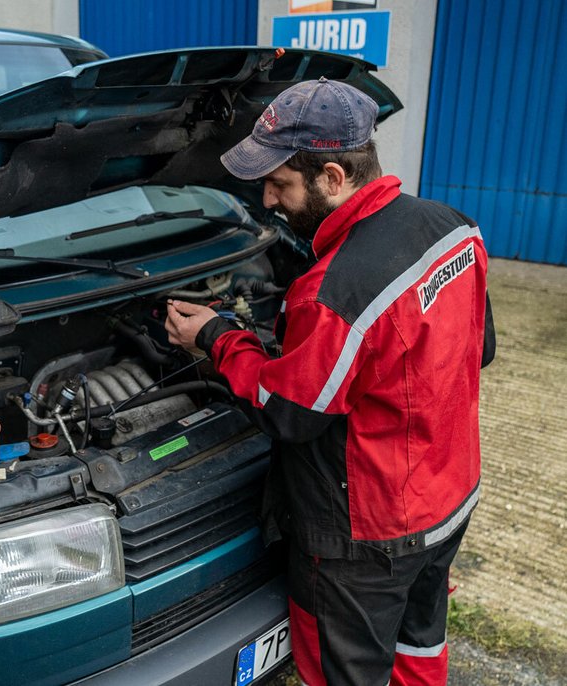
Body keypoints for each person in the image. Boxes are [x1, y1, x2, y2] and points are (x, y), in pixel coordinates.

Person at [165, 77, 495, 686]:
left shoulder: (332, 293)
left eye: (279, 183)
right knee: (420, 648)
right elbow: (478, 350)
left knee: (345, 673)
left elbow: (287, 409)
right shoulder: (454, 228)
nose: (266, 201)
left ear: (335, 178)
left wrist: (217, 338)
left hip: (367, 538)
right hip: (450, 496)